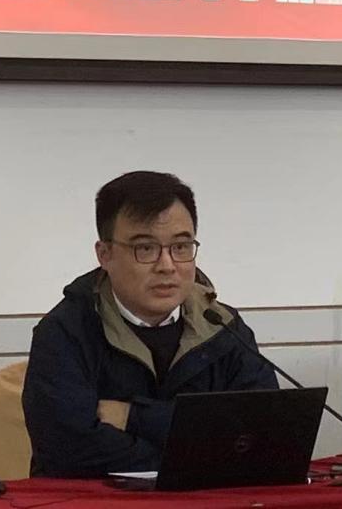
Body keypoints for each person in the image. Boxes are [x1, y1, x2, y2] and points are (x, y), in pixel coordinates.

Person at [22, 170, 278, 478]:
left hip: (208, 496)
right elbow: (70, 451)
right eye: (145, 248)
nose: (167, 266)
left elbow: (262, 435)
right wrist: (204, 450)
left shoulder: (224, 328)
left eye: (181, 247)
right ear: (105, 254)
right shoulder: (64, 332)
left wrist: (133, 417)